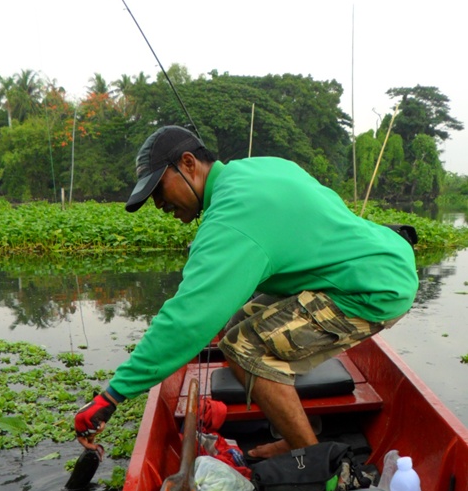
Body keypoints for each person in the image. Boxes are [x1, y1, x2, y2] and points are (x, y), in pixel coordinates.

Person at [74, 125, 418, 459]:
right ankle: (292, 430)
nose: (159, 204)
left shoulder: (230, 218)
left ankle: (310, 457)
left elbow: (188, 320)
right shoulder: (256, 169)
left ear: (189, 164)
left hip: (373, 289)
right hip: (381, 255)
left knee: (243, 348)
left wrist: (114, 395)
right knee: (240, 320)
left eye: (159, 190)